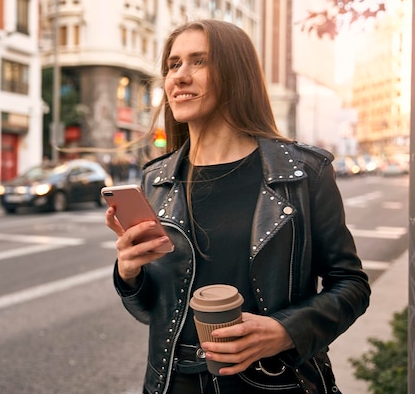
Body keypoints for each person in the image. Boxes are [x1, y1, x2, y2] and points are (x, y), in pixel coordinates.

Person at [104, 19, 371, 394]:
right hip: (173, 383)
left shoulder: (303, 172)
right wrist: (129, 274)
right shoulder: (156, 179)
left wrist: (285, 331)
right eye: (173, 64)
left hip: (277, 382)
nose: (179, 76)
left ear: (237, 73)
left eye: (199, 61)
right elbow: (152, 311)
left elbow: (351, 285)